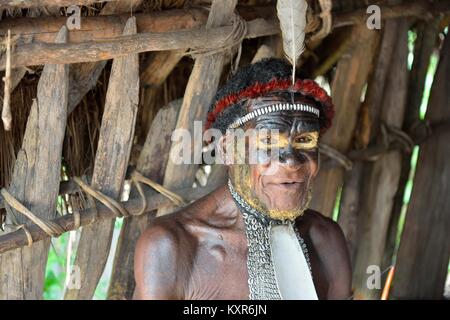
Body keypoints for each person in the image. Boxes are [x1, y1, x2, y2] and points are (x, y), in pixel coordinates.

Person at [133, 58, 352, 300]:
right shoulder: (171, 248)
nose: (291, 161)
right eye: (268, 142)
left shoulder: (326, 240)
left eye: (304, 141)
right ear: (228, 150)